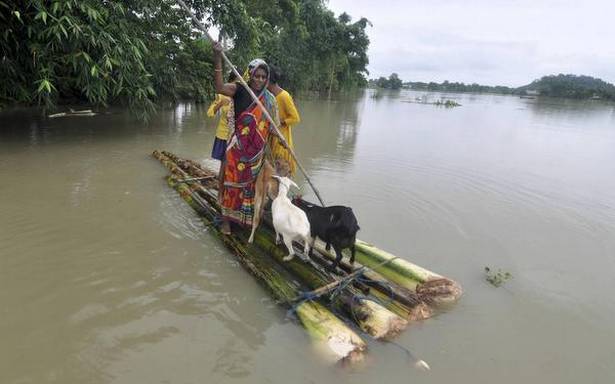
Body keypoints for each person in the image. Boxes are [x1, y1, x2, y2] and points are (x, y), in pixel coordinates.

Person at [212, 42, 279, 235]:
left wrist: (280, 140)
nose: (259, 80)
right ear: (250, 74)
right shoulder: (240, 89)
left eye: (263, 77)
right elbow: (218, 86)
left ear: (267, 79)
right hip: (237, 150)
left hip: (256, 153)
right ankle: (226, 220)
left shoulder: (269, 100)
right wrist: (217, 57)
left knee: (249, 187)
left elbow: (272, 126)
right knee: (232, 184)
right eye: (256, 75)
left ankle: (241, 218)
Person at [207, 71, 238, 197]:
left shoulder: (242, 95)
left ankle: (231, 194)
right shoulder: (223, 95)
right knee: (224, 166)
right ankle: (220, 194)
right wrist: (220, 104)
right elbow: (209, 113)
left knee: (234, 167)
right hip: (224, 135)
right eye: (235, 83)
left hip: (237, 137)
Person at [267, 65, 301, 177]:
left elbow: (295, 117)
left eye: (264, 78)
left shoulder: (284, 96)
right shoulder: (268, 96)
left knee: (281, 170)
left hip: (281, 139)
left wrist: (280, 122)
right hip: (270, 137)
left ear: (268, 80)